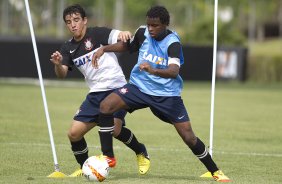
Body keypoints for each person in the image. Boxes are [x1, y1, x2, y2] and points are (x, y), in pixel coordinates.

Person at [92, 5, 230, 182]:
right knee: (105, 106)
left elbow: (173, 71)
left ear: (165, 24)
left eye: (155, 25)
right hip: (138, 88)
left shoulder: (173, 43)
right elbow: (128, 46)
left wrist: (153, 70)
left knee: (188, 136)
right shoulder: (143, 33)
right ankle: (108, 156)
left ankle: (215, 171)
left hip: (166, 95)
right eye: (148, 24)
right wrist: (104, 48)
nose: (150, 29)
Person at [50, 4, 150, 177]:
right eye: (68, 22)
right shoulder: (67, 48)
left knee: (114, 129)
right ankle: (86, 167)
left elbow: (119, 36)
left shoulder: (97, 34)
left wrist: (124, 33)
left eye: (76, 20)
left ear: (84, 21)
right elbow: (62, 74)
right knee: (73, 133)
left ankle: (141, 151)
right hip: (95, 94)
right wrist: (58, 64)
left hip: (116, 89)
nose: (73, 24)